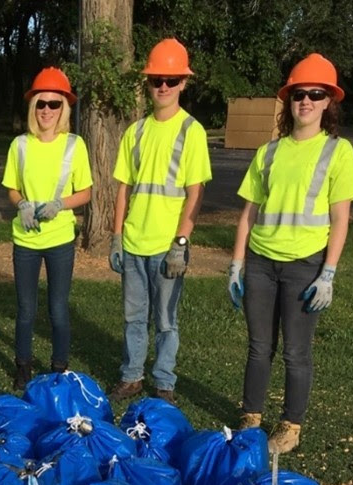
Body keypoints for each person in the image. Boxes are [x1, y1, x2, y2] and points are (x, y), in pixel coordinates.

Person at [229, 54, 353, 454]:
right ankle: (251, 418)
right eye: (298, 94)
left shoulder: (338, 152)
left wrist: (329, 273)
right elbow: (248, 213)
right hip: (260, 263)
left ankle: (290, 426)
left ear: (328, 103)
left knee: (295, 351)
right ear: (288, 102)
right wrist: (236, 264)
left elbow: (341, 219)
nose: (305, 101)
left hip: (305, 266)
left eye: (315, 94)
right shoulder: (270, 152)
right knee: (258, 346)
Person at [108, 39, 211, 405]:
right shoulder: (135, 132)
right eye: (156, 80)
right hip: (134, 243)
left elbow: (195, 192)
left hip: (168, 246)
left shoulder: (191, 131)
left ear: (183, 82)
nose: (163, 87)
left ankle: (163, 382)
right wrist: (117, 236)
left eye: (170, 79)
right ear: (147, 83)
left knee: (166, 321)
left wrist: (181, 242)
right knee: (134, 318)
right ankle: (132, 376)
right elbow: (124, 189)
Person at [2, 67, 92, 389]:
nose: (47, 111)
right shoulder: (20, 145)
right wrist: (21, 204)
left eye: (54, 105)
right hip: (25, 238)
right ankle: (23, 366)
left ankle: (59, 368)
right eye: (41, 103)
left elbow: (86, 192)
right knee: (26, 309)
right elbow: (11, 187)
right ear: (33, 107)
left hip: (60, 239)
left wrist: (61, 205)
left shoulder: (74, 145)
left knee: (58, 308)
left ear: (64, 109)